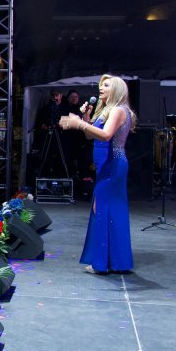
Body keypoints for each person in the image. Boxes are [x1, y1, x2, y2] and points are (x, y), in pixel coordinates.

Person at [60, 74, 134, 274]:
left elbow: (107, 135)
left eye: (106, 85)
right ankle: (115, 261)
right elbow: (90, 135)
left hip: (113, 164)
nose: (101, 88)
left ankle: (103, 263)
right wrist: (85, 119)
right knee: (104, 208)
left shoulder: (118, 110)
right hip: (105, 165)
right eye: (101, 85)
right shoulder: (107, 111)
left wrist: (79, 123)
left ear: (117, 90)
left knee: (102, 208)